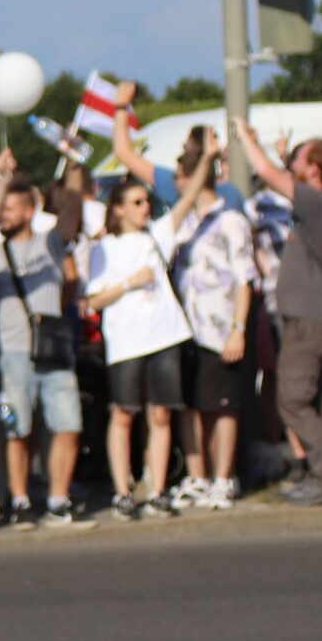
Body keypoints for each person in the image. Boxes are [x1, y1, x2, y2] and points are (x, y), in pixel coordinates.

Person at [0, 157, 90, 527]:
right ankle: (21, 499)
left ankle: (58, 498)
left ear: (30, 209)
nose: (5, 214)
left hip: (55, 352)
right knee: (18, 430)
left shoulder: (51, 244)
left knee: (68, 425)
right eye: (2, 207)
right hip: (13, 355)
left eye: (11, 207)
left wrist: (72, 167)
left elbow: (71, 214)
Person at [234, 121, 322, 505]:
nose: (292, 159)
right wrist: (285, 157)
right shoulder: (321, 203)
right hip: (313, 317)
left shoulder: (317, 201)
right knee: (312, 400)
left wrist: (247, 137)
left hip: (309, 319)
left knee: (292, 400)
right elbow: (285, 173)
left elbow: (266, 173)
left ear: (314, 169)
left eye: (299, 156)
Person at [80, 179, 192, 521]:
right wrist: (131, 282)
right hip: (126, 341)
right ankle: (123, 492)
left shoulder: (155, 236)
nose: (145, 208)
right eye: (137, 202)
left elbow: (186, 202)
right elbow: (93, 300)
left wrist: (205, 160)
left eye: (147, 202)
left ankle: (158, 489)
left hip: (163, 335)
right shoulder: (104, 248)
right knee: (124, 412)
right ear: (118, 208)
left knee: (161, 413)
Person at [164, 132, 253, 512]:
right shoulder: (180, 226)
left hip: (220, 331)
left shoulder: (232, 220)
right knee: (192, 407)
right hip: (186, 332)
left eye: (179, 175)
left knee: (223, 406)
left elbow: (246, 279)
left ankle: (223, 478)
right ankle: (198, 477)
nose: (175, 182)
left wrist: (238, 328)